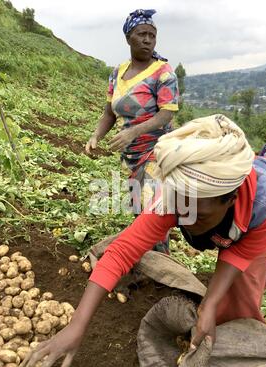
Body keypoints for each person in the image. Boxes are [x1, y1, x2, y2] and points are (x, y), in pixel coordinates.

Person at [22, 115, 266, 367]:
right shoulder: (177, 196)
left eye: (199, 215)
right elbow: (122, 251)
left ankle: (244, 347)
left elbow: (238, 253)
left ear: (231, 199)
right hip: (232, 209)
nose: (188, 219)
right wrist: (76, 326)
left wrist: (210, 306)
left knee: (243, 284)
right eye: (183, 209)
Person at [85, 9, 179, 253]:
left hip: (157, 152)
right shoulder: (118, 73)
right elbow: (109, 113)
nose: (147, 40)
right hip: (132, 157)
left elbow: (166, 114)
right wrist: (96, 135)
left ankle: (161, 268)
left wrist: (133, 132)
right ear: (128, 38)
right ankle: (145, 259)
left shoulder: (164, 72)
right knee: (139, 212)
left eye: (152, 35)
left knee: (153, 213)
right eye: (141, 34)